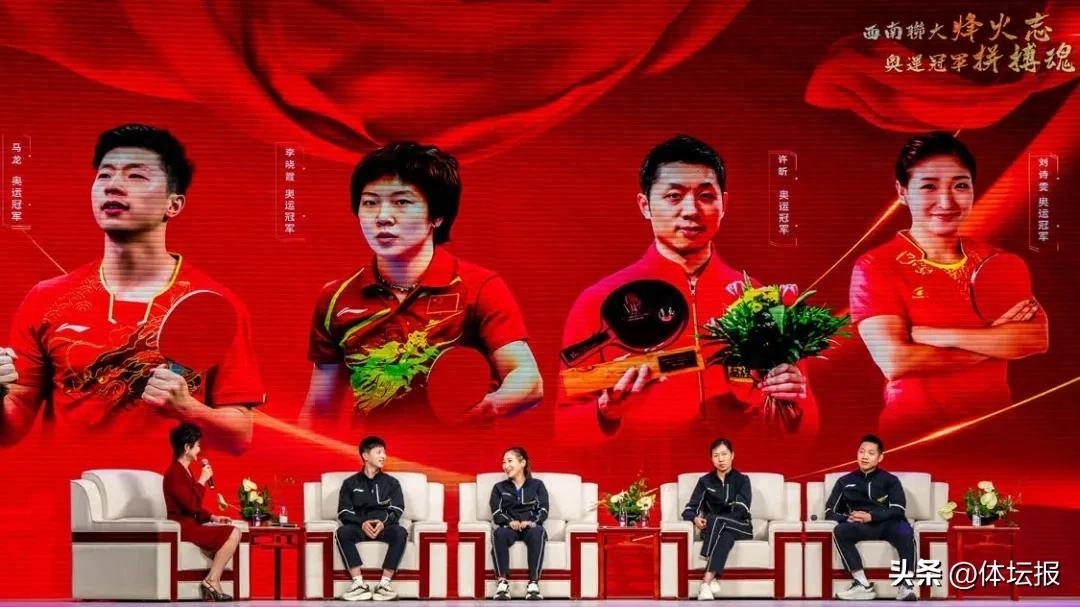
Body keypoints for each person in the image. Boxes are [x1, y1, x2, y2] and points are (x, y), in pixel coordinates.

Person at [0, 124, 265, 452]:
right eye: (104, 175)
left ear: (173, 205)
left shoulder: (213, 303)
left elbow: (239, 437)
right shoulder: (46, 297)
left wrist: (187, 408)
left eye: (136, 176)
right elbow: (10, 429)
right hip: (70, 485)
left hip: (166, 485)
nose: (113, 186)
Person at [559, 135, 813, 441]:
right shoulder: (598, 300)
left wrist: (794, 406)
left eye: (706, 196)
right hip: (643, 467)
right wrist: (605, 412)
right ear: (645, 205)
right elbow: (565, 427)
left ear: (724, 204)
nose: (691, 210)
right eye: (674, 196)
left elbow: (807, 426)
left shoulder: (762, 301)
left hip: (740, 466)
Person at [302, 142, 541, 429]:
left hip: (456, 455)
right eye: (370, 202)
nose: (383, 217)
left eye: (402, 202)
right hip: (372, 455)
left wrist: (488, 406)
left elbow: (528, 379)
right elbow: (319, 410)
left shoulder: (480, 287)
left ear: (437, 216)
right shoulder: (335, 298)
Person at [850, 132, 1048, 441]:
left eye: (960, 185)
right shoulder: (876, 266)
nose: (946, 202)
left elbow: (1035, 337)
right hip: (913, 436)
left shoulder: (996, 260)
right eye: (929, 186)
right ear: (902, 192)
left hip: (997, 433)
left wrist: (936, 335)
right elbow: (896, 360)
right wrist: (995, 341)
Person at [825, 434, 916, 601]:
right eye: (861, 451)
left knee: (905, 529)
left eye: (871, 453)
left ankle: (905, 585)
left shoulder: (890, 480)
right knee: (840, 531)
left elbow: (898, 510)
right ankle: (862, 584)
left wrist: (871, 516)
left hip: (887, 524)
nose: (865, 456)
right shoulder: (844, 481)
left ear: (880, 457)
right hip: (860, 526)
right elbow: (829, 511)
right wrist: (847, 518)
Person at [163, 422, 240, 601]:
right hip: (183, 527)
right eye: (197, 445)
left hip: (192, 524)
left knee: (229, 535)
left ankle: (212, 581)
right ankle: (212, 581)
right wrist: (202, 480)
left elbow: (194, 508)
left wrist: (213, 517)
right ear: (187, 447)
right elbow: (191, 504)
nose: (199, 449)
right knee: (233, 533)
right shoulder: (175, 473)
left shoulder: (185, 470)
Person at [336, 436, 406, 601]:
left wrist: (383, 523)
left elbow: (397, 509)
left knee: (400, 532)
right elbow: (343, 511)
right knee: (342, 532)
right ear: (365, 456)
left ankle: (384, 584)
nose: (384, 456)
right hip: (359, 527)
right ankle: (359, 584)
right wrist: (362, 523)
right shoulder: (350, 483)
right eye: (379, 452)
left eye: (384, 452)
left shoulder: (392, 483)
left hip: (384, 527)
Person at [680, 438, 752, 601]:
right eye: (716, 455)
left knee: (715, 518)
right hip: (715, 530)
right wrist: (695, 519)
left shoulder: (742, 480)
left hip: (740, 526)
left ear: (732, 455)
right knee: (725, 536)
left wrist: (717, 518)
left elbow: (742, 509)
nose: (720, 459)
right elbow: (688, 510)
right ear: (711, 458)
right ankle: (707, 582)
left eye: (724, 454)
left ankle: (706, 553)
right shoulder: (705, 482)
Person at [489, 447, 549, 600]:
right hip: (509, 528)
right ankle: (502, 583)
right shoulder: (499, 488)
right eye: (503, 462)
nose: (505, 466)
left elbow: (543, 510)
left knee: (538, 531)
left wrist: (531, 522)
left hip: (530, 527)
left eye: (510, 461)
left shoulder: (537, 485)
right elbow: (496, 512)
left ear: (523, 463)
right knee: (499, 533)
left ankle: (533, 583)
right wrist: (509, 522)